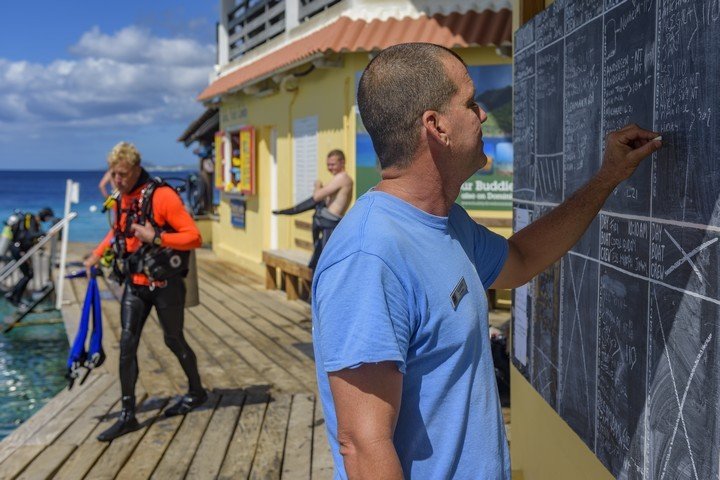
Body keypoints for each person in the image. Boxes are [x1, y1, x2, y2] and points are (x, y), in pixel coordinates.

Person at [311, 43, 662, 479]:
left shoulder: (445, 221)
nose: (481, 115)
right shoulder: (369, 257)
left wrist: (609, 176)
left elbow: (521, 258)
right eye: (470, 103)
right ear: (436, 126)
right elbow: (363, 446)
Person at [83, 141, 206, 441]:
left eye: (123, 174)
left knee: (173, 339)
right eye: (114, 174)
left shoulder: (162, 196)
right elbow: (119, 230)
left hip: (165, 285)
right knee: (127, 345)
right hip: (135, 284)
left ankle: (197, 391)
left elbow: (194, 237)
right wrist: (96, 255)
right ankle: (128, 415)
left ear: (137, 169)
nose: (118, 181)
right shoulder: (121, 196)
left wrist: (157, 236)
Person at [273, 149, 353, 268]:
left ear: (342, 162)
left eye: (333, 164)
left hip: (330, 225)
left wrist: (317, 185)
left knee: (324, 263)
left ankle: (286, 211)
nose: (330, 168)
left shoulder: (342, 178)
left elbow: (317, 196)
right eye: (328, 165)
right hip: (328, 224)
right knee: (318, 261)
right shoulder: (339, 178)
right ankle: (285, 211)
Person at [3, 208, 54, 307]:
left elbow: (31, 237)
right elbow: (30, 235)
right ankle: (15, 298)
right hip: (18, 249)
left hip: (20, 249)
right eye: (48, 217)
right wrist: (46, 233)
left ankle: (13, 295)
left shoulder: (33, 222)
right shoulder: (30, 219)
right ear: (44, 215)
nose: (48, 220)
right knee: (28, 274)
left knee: (28, 274)